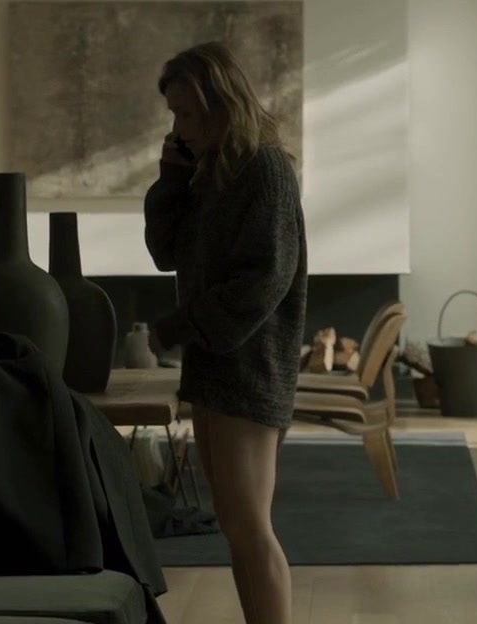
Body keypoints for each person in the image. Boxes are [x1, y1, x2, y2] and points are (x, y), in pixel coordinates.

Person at [143, 41, 307, 624]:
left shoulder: (265, 170)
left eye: (187, 113)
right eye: (174, 115)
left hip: (249, 367)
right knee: (236, 529)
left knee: (249, 527)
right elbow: (166, 252)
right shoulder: (212, 172)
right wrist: (171, 178)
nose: (178, 128)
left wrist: (179, 326)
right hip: (214, 364)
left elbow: (263, 280)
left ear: (222, 104)